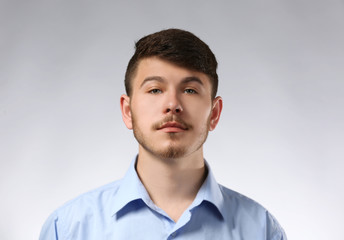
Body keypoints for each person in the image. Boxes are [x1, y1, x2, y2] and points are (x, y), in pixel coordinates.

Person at [39, 28, 287, 240]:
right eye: (155, 90)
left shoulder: (261, 229)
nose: (172, 104)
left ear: (214, 113)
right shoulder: (70, 228)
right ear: (128, 111)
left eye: (189, 90)